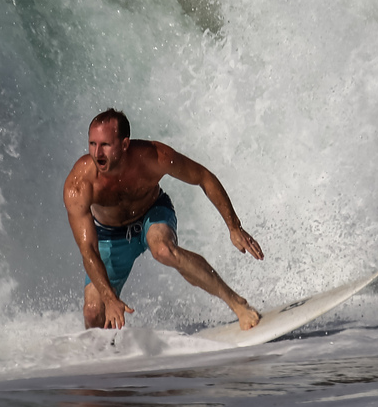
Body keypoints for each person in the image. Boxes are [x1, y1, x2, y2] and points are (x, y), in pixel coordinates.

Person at [63, 108, 264, 331]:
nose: (97, 152)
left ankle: (237, 303)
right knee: (93, 314)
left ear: (125, 144)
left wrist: (233, 226)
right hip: (110, 235)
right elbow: (88, 250)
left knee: (164, 250)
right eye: (92, 144)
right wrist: (109, 299)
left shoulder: (154, 157)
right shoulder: (79, 184)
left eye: (105, 145)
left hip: (152, 212)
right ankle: (109, 356)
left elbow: (203, 177)